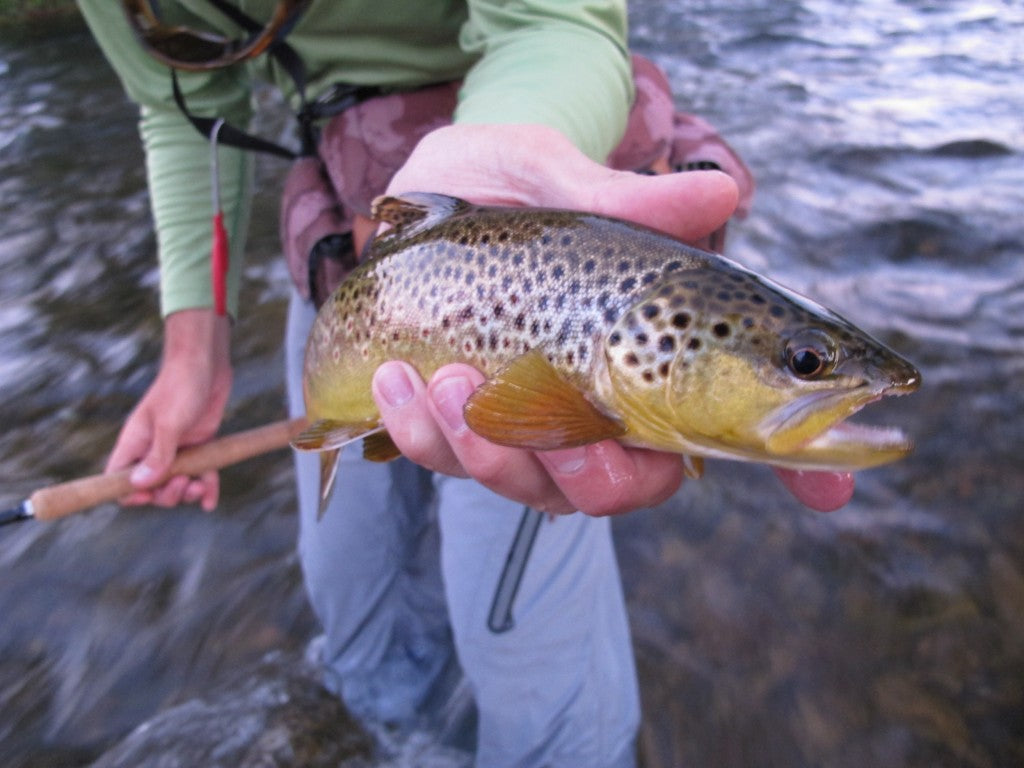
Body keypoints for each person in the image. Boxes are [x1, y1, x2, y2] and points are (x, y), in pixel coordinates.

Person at [78, 2, 854, 766]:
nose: (812, 375)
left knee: (521, 654)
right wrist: (193, 353)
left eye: (805, 364)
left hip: (540, 241)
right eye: (806, 364)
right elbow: (186, 107)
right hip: (363, 276)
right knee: (355, 610)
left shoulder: (633, 336)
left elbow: (561, 18)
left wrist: (496, 152)